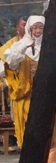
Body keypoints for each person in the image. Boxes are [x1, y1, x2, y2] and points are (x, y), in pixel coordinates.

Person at [3, 15, 56, 147]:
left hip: (46, 97)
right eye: (35, 28)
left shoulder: (51, 48)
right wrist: (24, 47)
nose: (38, 31)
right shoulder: (19, 46)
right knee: (28, 127)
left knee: (48, 127)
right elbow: (11, 63)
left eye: (41, 28)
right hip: (26, 96)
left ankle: (49, 157)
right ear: (29, 29)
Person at [0, 16, 27, 150]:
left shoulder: (42, 44)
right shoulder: (9, 46)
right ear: (17, 27)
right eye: (23, 25)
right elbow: (2, 70)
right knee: (22, 122)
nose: (26, 27)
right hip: (19, 91)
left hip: (39, 92)